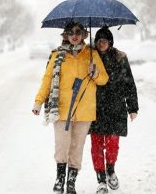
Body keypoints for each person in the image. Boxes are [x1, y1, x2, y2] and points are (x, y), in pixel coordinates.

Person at [31, 22, 109, 194]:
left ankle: (71, 182)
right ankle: (60, 180)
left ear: (83, 34)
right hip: (62, 109)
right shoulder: (57, 55)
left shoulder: (91, 54)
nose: (75, 35)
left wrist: (94, 73)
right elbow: (47, 80)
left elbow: (103, 79)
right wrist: (38, 101)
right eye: (71, 32)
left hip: (84, 110)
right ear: (65, 35)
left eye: (78, 32)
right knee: (62, 145)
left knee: (77, 147)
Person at [89, 26, 139, 194]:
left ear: (110, 42)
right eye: (98, 40)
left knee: (112, 144)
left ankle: (110, 169)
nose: (101, 43)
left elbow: (129, 83)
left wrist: (133, 107)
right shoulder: (89, 58)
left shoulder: (120, 58)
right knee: (96, 145)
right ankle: (101, 179)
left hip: (116, 107)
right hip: (94, 108)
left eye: (104, 40)